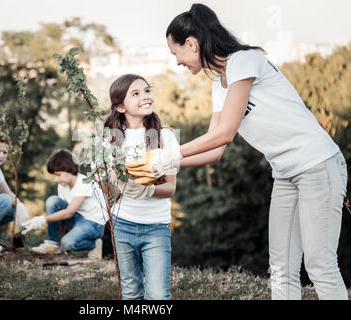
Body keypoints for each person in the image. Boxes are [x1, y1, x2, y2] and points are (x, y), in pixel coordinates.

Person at [126, 4, 349, 300]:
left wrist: (167, 155)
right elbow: (215, 148)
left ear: (191, 44)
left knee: (320, 263)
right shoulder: (219, 85)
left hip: (318, 165)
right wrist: (163, 167)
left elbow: (225, 132)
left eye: (175, 52)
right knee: (281, 266)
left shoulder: (243, 61)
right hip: (285, 174)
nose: (176, 61)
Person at [104, 74, 179, 300]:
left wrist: (148, 190)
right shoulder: (110, 140)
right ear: (119, 106)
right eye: (135, 94)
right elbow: (110, 194)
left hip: (155, 227)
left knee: (157, 295)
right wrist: (107, 179)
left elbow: (171, 188)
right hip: (122, 225)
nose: (146, 97)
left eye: (147, 91)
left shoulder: (164, 136)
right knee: (131, 291)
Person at [21, 149, 105, 259]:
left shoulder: (84, 182)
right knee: (53, 201)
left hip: (93, 223)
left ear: (69, 170)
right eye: (54, 176)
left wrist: (42, 219)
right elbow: (61, 214)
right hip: (77, 218)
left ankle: (94, 245)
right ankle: (53, 244)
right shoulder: (62, 185)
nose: (56, 179)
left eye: (58, 175)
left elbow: (69, 212)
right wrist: (59, 242)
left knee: (67, 243)